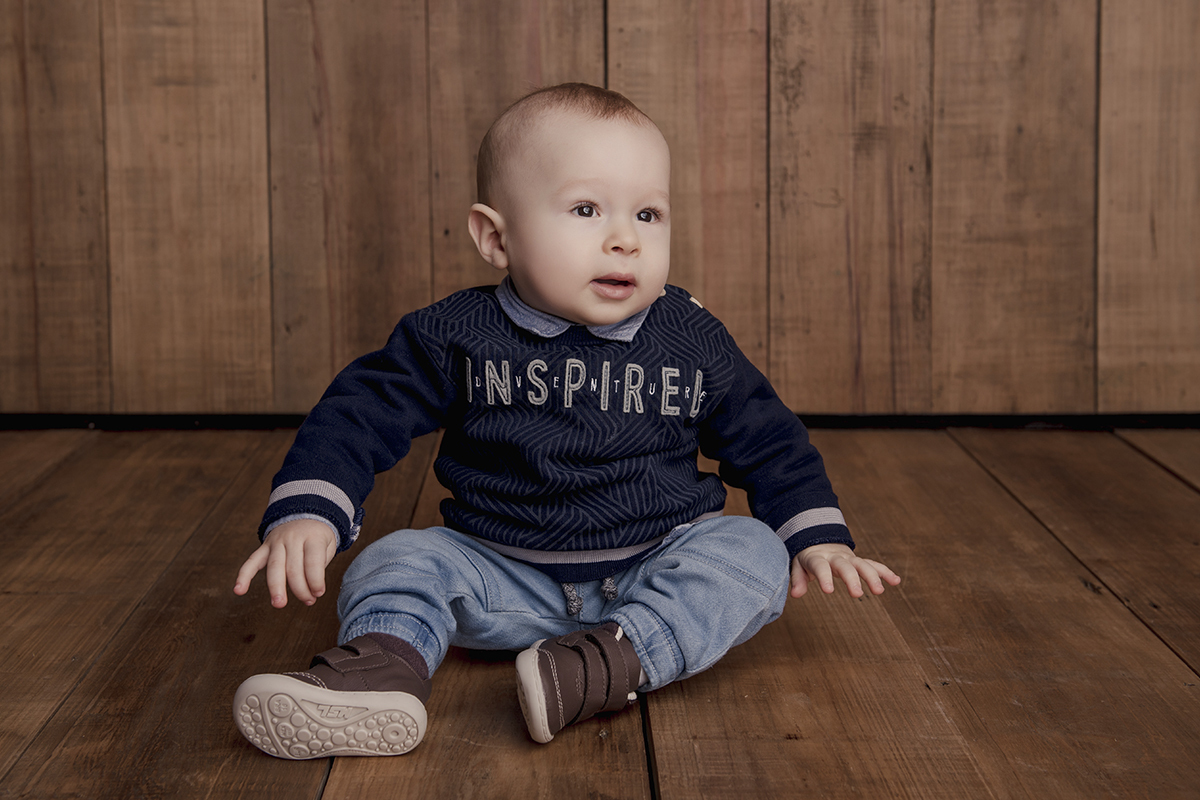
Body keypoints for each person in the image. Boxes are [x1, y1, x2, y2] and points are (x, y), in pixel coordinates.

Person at [232, 82, 900, 760]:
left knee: (756, 555)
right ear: (497, 237)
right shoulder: (454, 335)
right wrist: (311, 508)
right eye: (586, 209)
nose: (624, 241)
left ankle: (602, 665)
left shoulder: (691, 337)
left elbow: (768, 438)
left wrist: (817, 534)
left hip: (654, 564)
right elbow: (359, 413)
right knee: (396, 559)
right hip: (500, 573)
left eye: (648, 215)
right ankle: (382, 667)